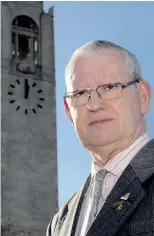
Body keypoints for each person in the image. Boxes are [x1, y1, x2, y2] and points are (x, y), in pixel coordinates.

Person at [46, 40, 154, 236]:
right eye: (80, 93)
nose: (94, 104)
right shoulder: (59, 222)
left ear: (142, 97)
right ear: (69, 112)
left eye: (110, 87)